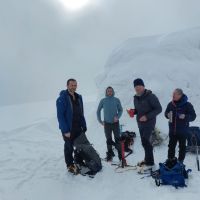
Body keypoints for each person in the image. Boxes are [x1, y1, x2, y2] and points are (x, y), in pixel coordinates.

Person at [128, 78, 162, 172]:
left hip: (149, 123)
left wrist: (147, 117)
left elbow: (159, 109)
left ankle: (150, 163)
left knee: (146, 141)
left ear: (143, 86)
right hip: (140, 124)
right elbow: (138, 110)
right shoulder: (136, 98)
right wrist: (133, 112)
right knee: (144, 142)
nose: (137, 88)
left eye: (139, 86)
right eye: (135, 87)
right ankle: (147, 160)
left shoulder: (150, 96)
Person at [56, 78, 87, 174]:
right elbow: (60, 116)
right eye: (72, 85)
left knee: (80, 145)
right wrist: (65, 130)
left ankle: (78, 161)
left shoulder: (79, 97)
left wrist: (84, 124)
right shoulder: (62, 98)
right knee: (69, 146)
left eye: (75, 85)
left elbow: (81, 112)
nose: (74, 87)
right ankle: (70, 165)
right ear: (67, 85)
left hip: (78, 126)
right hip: (68, 128)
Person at [165, 88, 196, 164]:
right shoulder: (170, 104)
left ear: (180, 95)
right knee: (171, 146)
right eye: (173, 94)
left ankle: (180, 161)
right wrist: (167, 115)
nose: (173, 95)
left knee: (182, 147)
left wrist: (185, 117)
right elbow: (166, 113)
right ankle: (170, 160)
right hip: (172, 130)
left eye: (175, 94)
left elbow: (193, 116)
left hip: (183, 131)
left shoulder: (187, 105)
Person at [97, 86, 123, 161]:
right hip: (107, 124)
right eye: (108, 91)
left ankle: (120, 155)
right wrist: (100, 121)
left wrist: (117, 117)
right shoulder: (103, 100)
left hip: (115, 123)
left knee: (117, 139)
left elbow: (120, 110)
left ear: (113, 92)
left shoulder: (116, 100)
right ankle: (110, 154)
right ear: (106, 92)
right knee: (108, 139)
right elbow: (98, 111)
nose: (109, 92)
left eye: (111, 91)